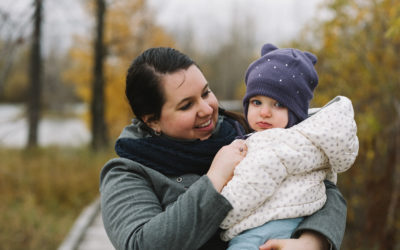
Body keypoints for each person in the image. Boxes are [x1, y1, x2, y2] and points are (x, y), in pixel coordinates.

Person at [100, 46, 348, 250]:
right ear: (152, 120)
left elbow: (321, 185)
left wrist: (312, 242)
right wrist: (214, 179)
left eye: (206, 93)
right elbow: (141, 245)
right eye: (186, 105)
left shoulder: (243, 129)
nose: (207, 109)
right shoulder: (127, 173)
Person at [218, 43, 359, 250]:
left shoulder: (284, 143)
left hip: (272, 227)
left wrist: (221, 216)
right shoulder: (253, 140)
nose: (265, 112)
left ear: (296, 112)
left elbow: (254, 183)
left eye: (278, 104)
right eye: (256, 102)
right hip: (268, 226)